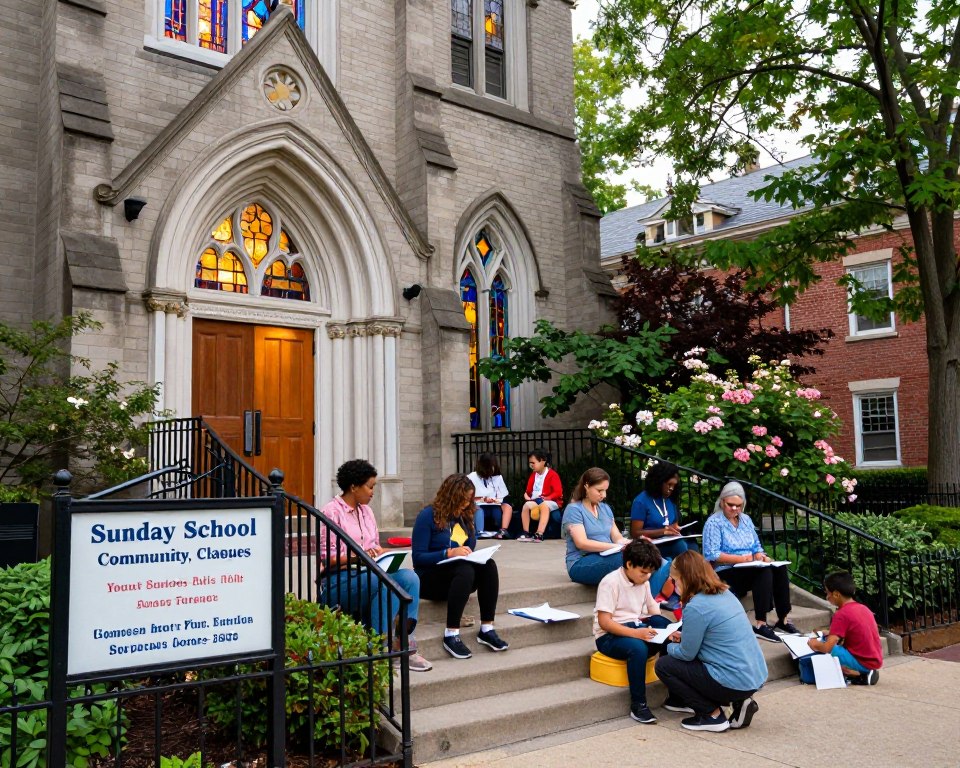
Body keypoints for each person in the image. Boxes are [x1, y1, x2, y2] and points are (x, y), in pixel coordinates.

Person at [320, 459, 432, 672]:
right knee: (381, 580)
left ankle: (402, 640)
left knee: (409, 578)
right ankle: (381, 645)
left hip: (368, 574)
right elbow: (328, 559)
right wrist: (357, 558)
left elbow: (373, 547)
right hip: (338, 580)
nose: (373, 492)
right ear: (353, 487)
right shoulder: (332, 512)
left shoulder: (367, 512)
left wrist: (383, 553)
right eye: (370, 487)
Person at [655, 551, 769, 732]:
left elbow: (686, 654)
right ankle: (739, 700)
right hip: (754, 675)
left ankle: (711, 714)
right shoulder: (726, 593)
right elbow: (716, 635)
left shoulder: (696, 606)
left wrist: (669, 645)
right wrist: (686, 637)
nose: (674, 585)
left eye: (674, 580)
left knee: (664, 665)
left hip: (732, 680)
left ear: (685, 579)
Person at [412, 473, 509, 659]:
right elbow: (418, 558)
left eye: (469, 500)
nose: (465, 504)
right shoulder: (427, 516)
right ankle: (451, 634)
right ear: (450, 496)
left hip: (458, 577)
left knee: (488, 565)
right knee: (464, 569)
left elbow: (469, 548)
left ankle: (487, 629)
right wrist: (447, 553)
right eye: (462, 500)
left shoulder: (464, 518)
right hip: (429, 578)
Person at [702, 480, 799, 643]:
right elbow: (712, 554)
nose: (734, 509)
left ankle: (782, 619)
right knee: (763, 571)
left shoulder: (746, 519)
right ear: (722, 501)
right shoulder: (714, 522)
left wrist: (762, 556)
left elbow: (756, 546)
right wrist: (742, 559)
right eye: (730, 505)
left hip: (749, 566)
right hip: (726, 570)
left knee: (778, 568)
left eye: (738, 505)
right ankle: (761, 624)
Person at [594, 539, 674, 724]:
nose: (647, 577)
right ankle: (639, 705)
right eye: (644, 572)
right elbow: (605, 622)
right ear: (629, 564)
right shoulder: (610, 582)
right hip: (609, 636)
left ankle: (675, 694)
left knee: (667, 627)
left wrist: (665, 629)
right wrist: (638, 633)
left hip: (637, 625)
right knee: (638, 648)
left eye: (650, 573)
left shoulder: (642, 581)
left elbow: (653, 608)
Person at [562, 467, 671, 593]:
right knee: (629, 559)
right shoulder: (574, 509)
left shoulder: (605, 509)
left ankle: (649, 599)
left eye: (605, 490)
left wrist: (636, 543)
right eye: (599, 490)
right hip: (580, 562)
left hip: (608, 555)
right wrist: (614, 547)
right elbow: (582, 543)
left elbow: (618, 538)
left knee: (655, 558)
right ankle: (644, 601)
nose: (604, 495)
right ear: (586, 486)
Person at [802, 571, 882, 685]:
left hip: (863, 662)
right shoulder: (863, 608)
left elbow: (827, 648)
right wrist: (829, 632)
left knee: (829, 648)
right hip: (874, 658)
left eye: (827, 592)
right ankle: (861, 672)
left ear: (836, 594)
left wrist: (814, 644)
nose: (826, 596)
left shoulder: (841, 614)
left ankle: (860, 673)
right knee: (828, 639)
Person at [630, 461, 700, 559]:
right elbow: (635, 533)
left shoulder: (669, 499)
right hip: (650, 545)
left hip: (670, 540)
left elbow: (673, 523)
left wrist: (675, 528)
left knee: (693, 546)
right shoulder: (641, 501)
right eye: (669, 484)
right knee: (680, 547)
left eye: (674, 485)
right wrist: (663, 531)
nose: (671, 488)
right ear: (658, 482)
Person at [517, 448, 563, 542]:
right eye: (530, 463)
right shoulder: (533, 475)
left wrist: (547, 498)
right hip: (536, 500)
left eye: (533, 463)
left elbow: (558, 492)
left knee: (544, 506)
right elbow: (528, 491)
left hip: (551, 501)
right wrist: (526, 495)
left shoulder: (552, 474)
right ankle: (526, 532)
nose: (531, 465)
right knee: (526, 506)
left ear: (542, 461)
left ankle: (539, 533)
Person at [467, 452, 513, 539]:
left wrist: (496, 499)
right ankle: (479, 532)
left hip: (494, 504)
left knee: (507, 507)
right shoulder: (472, 477)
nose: (492, 469)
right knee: (478, 510)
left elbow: (503, 494)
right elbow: (468, 496)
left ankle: (503, 531)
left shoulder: (497, 477)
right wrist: (482, 499)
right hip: (478, 504)